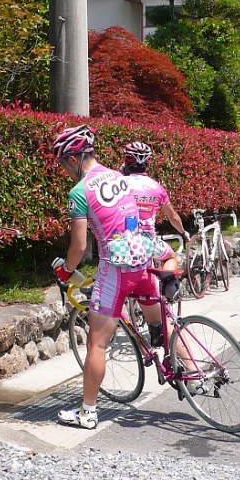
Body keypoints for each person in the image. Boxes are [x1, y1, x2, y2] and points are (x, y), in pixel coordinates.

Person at [49, 125, 163, 429]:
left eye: (63, 164)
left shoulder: (79, 191)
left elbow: (79, 246)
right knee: (160, 324)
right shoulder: (120, 177)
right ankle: (187, 373)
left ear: (73, 158)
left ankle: (87, 412)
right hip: (143, 261)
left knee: (97, 345)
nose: (64, 170)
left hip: (115, 270)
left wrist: (67, 270)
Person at [121, 141, 189, 272]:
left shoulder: (117, 183)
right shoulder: (157, 188)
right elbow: (173, 217)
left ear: (126, 161)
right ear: (148, 163)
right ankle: (166, 286)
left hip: (121, 243)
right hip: (147, 243)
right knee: (171, 256)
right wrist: (182, 232)